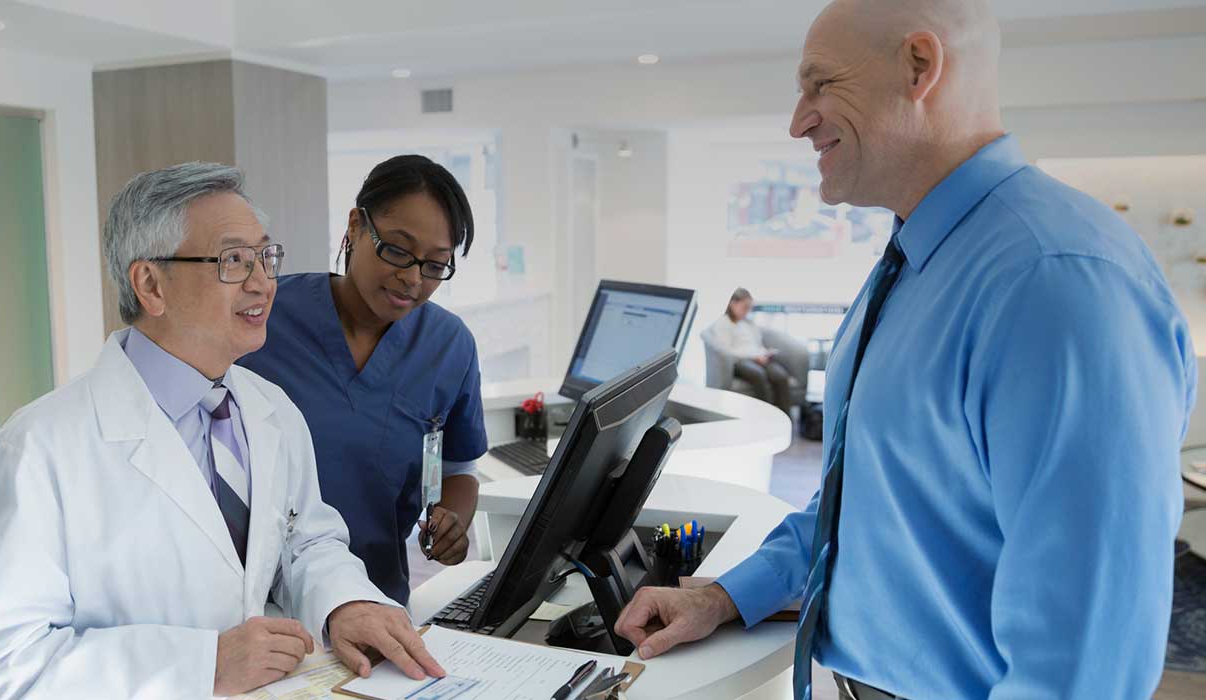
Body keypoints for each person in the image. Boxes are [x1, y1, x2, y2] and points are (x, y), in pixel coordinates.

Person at [613, 2, 1197, 699]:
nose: (798, 120)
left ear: (920, 66)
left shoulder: (1054, 281)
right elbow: (859, 504)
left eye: (820, 84)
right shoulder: (914, 260)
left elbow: (1084, 660)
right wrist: (724, 597)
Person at [0, 162, 443, 699]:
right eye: (233, 260)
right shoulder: (38, 449)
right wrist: (198, 665)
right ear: (150, 284)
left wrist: (345, 602)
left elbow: (305, 541)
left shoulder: (270, 410)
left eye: (265, 257)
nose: (262, 283)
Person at [239, 155, 488, 605]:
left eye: (435, 265)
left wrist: (452, 520)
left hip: (378, 603)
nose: (412, 278)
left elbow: (457, 466)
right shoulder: (263, 320)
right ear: (356, 226)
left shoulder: (448, 345)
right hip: (259, 605)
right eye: (396, 249)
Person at [704, 287, 794, 413]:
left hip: (759, 357)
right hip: (740, 361)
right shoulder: (723, 323)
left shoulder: (748, 323)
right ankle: (767, 415)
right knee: (758, 374)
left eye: (749, 308)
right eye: (744, 307)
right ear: (733, 304)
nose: (747, 311)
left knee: (780, 375)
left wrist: (764, 352)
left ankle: (786, 415)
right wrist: (752, 357)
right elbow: (727, 351)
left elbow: (757, 343)